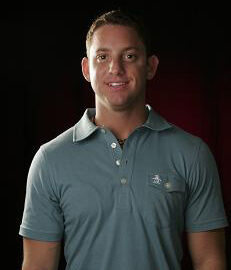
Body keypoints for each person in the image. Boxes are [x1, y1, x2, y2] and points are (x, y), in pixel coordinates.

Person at [20, 10, 228, 270]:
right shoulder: (50, 160)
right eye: (103, 57)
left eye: (129, 56)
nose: (116, 69)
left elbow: (211, 261)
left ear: (150, 66)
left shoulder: (193, 154)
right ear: (87, 69)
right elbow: (37, 266)